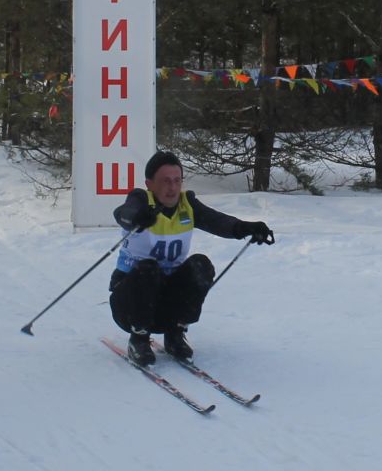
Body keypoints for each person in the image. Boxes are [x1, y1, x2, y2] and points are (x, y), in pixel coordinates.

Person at [109, 150, 274, 366]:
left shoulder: (187, 204)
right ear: (150, 184)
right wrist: (137, 217)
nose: (172, 187)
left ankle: (175, 332)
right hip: (129, 305)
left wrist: (246, 228)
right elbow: (122, 213)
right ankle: (138, 338)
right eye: (165, 181)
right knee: (148, 268)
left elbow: (217, 221)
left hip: (165, 302)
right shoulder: (140, 199)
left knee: (200, 265)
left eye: (177, 180)